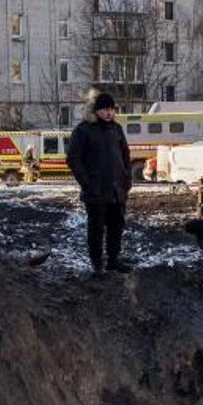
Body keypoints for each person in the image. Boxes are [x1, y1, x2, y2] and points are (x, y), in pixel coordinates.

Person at [67, 92, 133, 275]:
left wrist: (127, 179)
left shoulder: (116, 129)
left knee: (116, 227)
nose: (109, 113)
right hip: (96, 191)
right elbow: (73, 158)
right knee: (96, 230)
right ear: (96, 111)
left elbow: (126, 155)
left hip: (117, 190)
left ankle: (113, 260)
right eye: (105, 109)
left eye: (112, 109)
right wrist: (87, 183)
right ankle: (97, 264)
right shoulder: (84, 130)